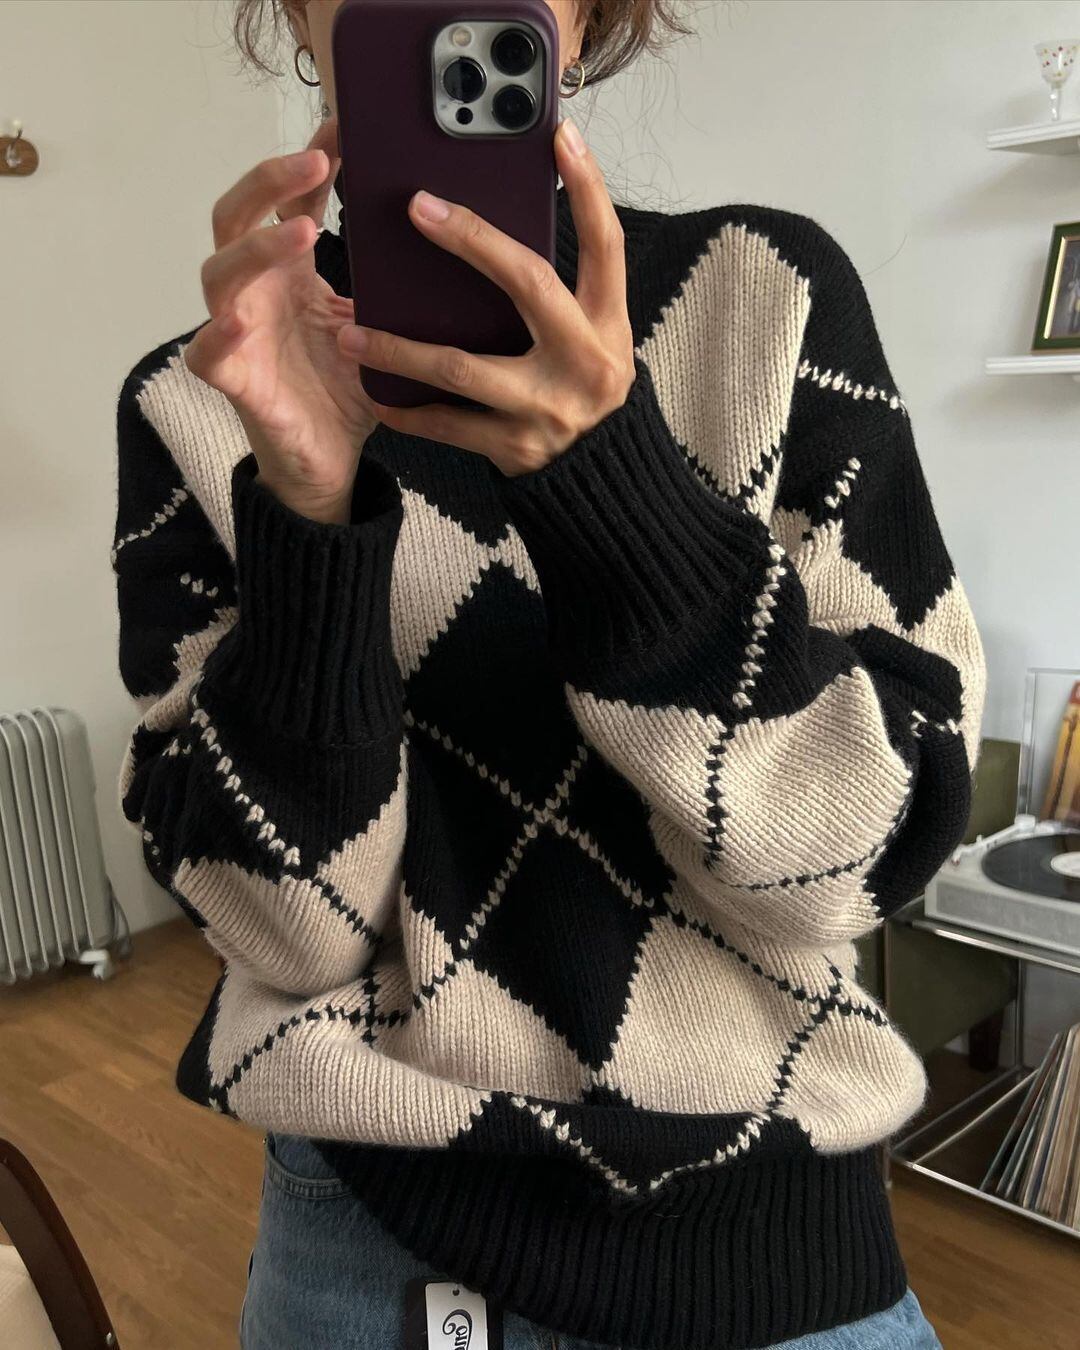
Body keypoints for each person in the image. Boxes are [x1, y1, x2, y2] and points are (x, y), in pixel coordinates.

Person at [111, 1, 986, 1347]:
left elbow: (857, 864)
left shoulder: (768, 296)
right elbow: (286, 935)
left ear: (581, 21)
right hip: (371, 1244)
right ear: (295, 12)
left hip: (771, 1244)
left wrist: (612, 483)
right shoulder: (203, 392)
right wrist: (308, 518)